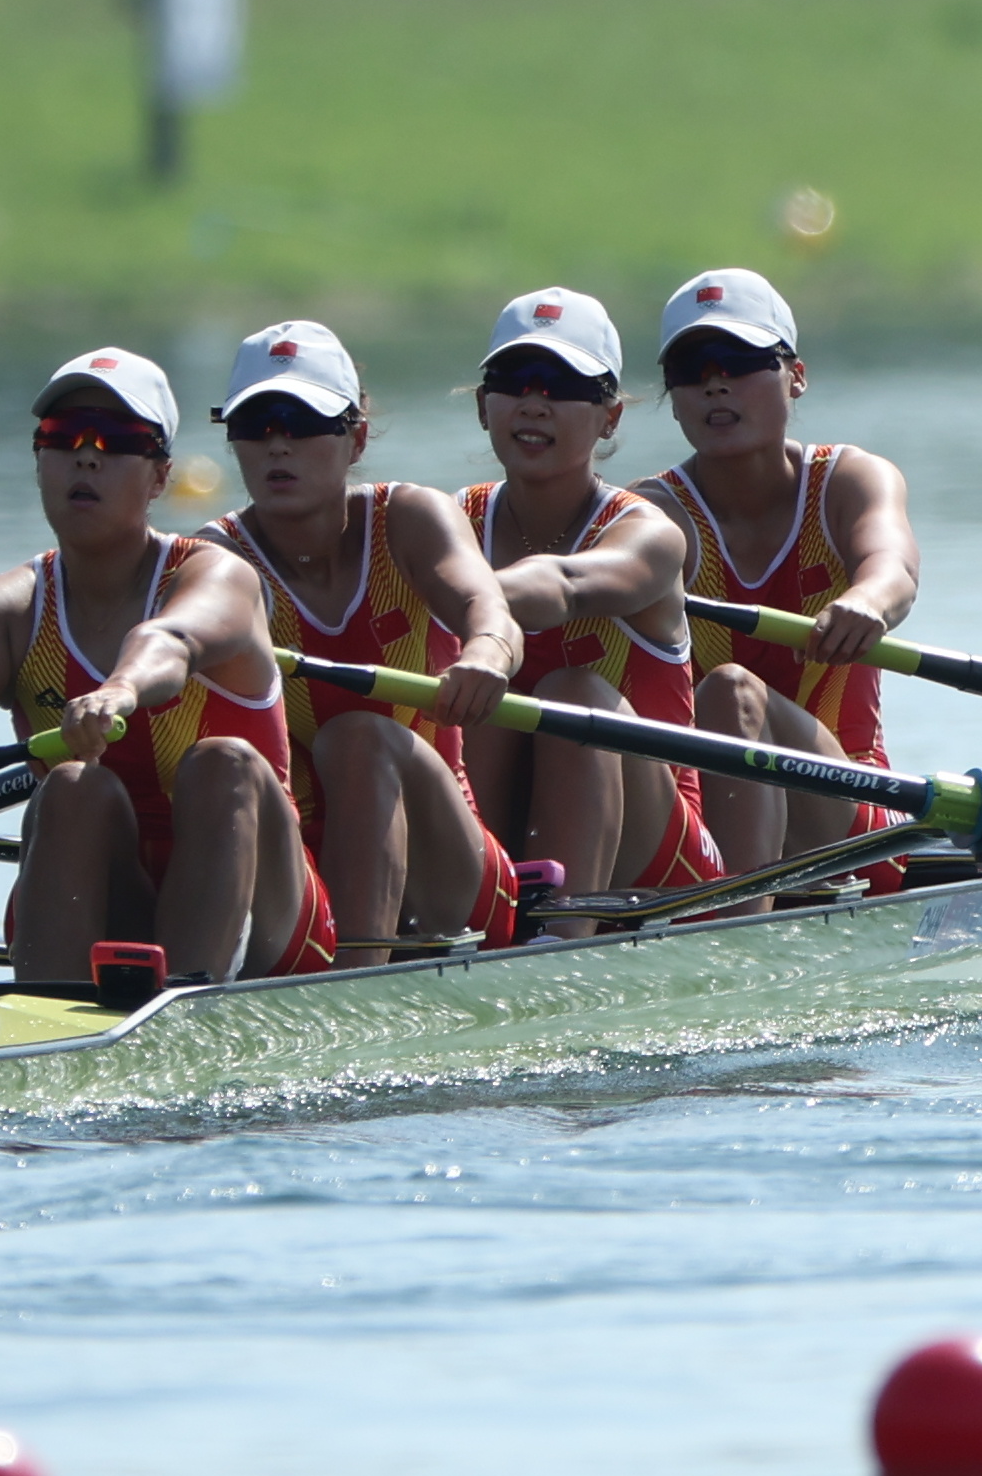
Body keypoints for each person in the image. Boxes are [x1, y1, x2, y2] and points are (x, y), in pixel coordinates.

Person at [0, 346, 333, 985]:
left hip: (270, 920)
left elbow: (172, 641)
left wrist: (121, 691)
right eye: (63, 437)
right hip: (105, 902)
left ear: (160, 476)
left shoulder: (215, 574)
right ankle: (48, 1024)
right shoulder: (10, 606)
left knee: (224, 762)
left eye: (117, 439)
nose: (87, 454)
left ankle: (185, 1004)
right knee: (74, 785)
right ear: (39, 459)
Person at [199, 317, 531, 959]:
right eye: (255, 426)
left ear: (355, 439)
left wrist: (487, 652)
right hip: (298, 872)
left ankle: (351, 980)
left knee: (359, 736)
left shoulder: (408, 518)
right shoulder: (216, 562)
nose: (276, 446)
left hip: (452, 879)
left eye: (300, 424)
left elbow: (483, 602)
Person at [633, 266, 917, 878]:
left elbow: (892, 567)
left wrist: (868, 600)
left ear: (797, 377)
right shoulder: (652, 515)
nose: (715, 385)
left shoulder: (849, 481)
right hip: (700, 812)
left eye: (738, 361)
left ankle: (735, 918)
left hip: (855, 818)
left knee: (735, 691)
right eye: (692, 370)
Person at [442, 287, 717, 916]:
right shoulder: (451, 520)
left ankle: (558, 940)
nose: (535, 402)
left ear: (610, 416)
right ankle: (454, 919)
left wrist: (446, 594)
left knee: (574, 694)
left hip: (661, 854)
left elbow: (560, 587)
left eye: (563, 385)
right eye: (515, 380)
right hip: (504, 808)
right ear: (486, 406)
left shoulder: (647, 533)